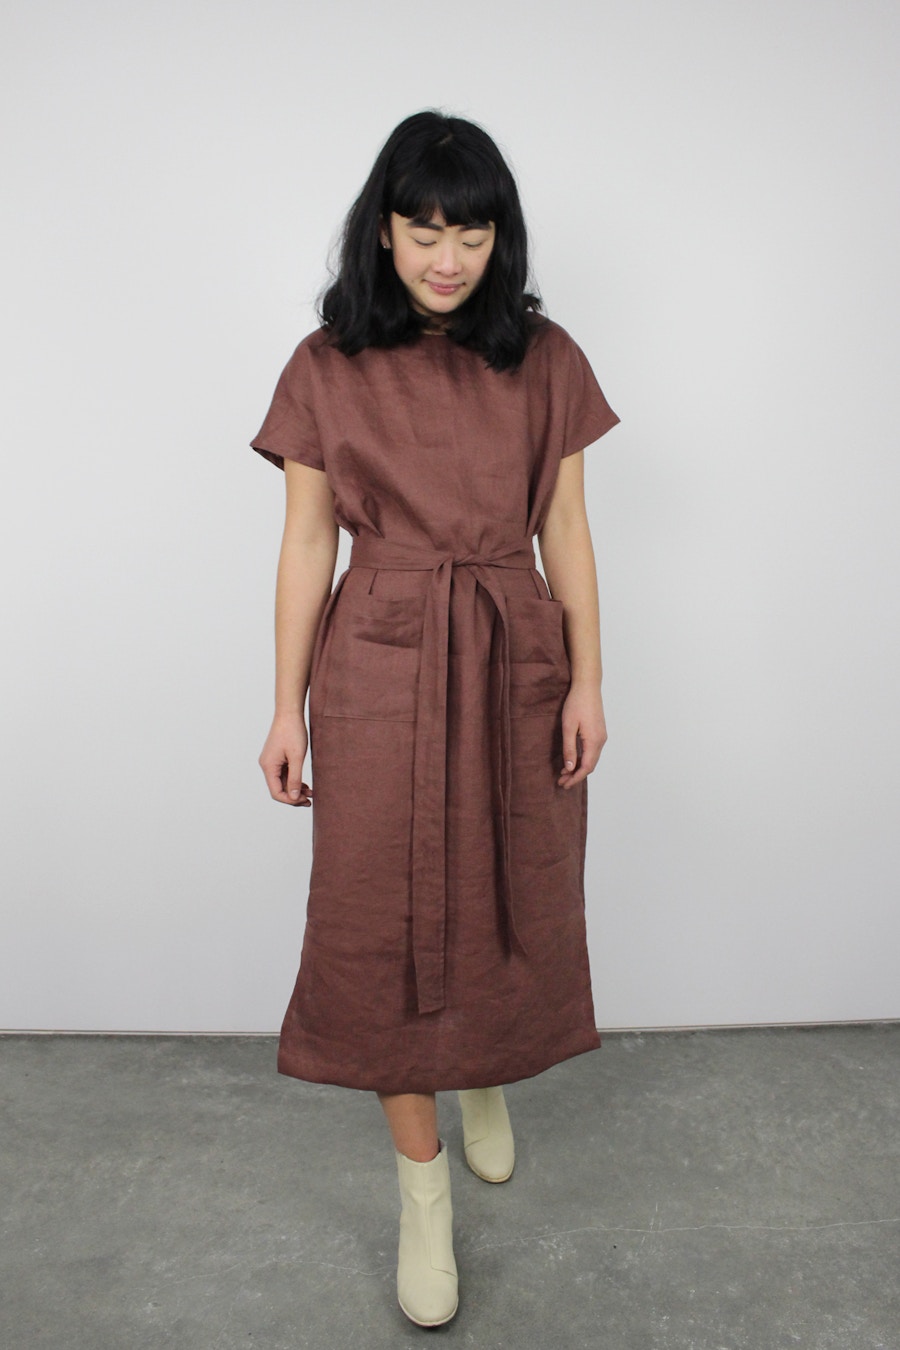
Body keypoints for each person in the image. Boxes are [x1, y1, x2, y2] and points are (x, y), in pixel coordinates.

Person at [250, 109, 619, 1328]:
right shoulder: (326, 364)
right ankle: (423, 1197)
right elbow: (308, 544)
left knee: (513, 883)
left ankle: (483, 1072)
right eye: (424, 233)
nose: (448, 259)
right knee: (376, 915)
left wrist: (590, 679)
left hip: (513, 647)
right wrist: (285, 707)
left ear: (499, 237)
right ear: (384, 232)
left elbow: (566, 529)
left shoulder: (545, 357)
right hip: (379, 657)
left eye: (471, 234)